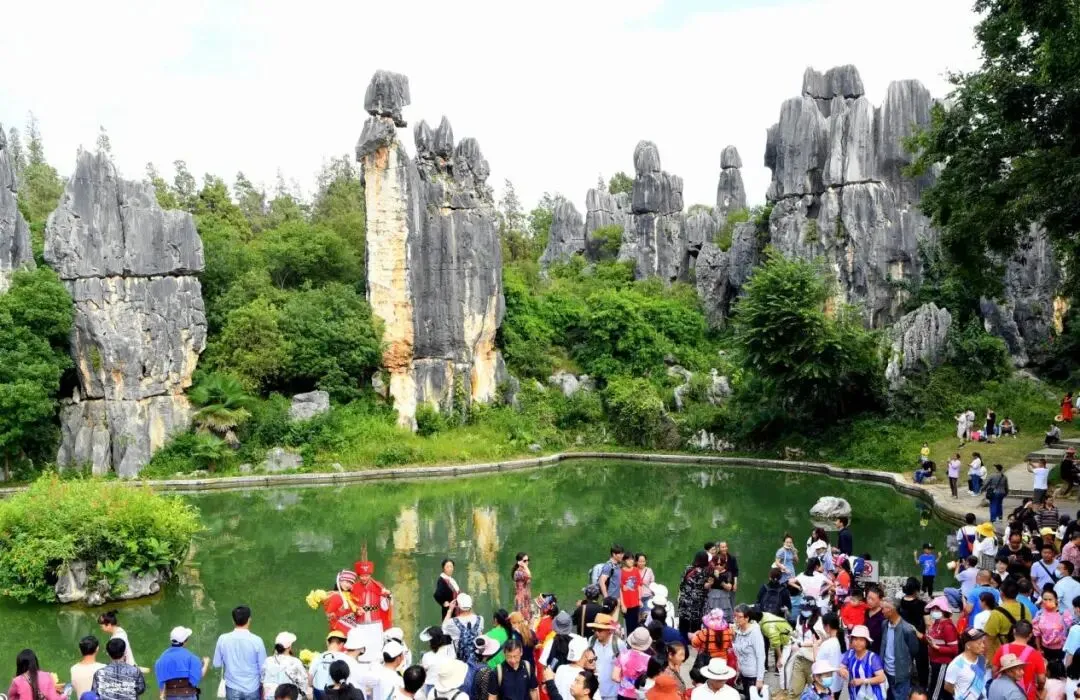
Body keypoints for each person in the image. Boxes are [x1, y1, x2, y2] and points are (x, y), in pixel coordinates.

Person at [213, 605, 267, 700]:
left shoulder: (223, 639)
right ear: (249, 620)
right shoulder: (257, 640)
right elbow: (263, 667)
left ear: (233, 621)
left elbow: (216, 663)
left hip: (232, 687)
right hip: (252, 687)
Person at [992, 620, 1047, 700]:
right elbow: (1041, 679)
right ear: (1030, 635)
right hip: (1027, 695)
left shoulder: (1002, 649)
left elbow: (994, 671)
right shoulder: (1036, 654)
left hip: (1003, 693)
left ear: (1014, 631)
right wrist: (1040, 688)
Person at [880, 597, 920, 700]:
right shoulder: (884, 624)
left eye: (884, 608)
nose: (882, 611)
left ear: (892, 609)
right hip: (886, 672)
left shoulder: (907, 629)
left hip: (901, 674)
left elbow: (914, 650)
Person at [155, 627, 209, 700]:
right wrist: (206, 663)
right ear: (185, 641)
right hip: (189, 696)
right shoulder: (192, 658)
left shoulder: (161, 660)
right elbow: (198, 677)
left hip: (170, 697)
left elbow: (161, 686)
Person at [839, 625, 886, 700]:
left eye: (861, 640)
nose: (858, 642)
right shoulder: (850, 653)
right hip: (854, 694)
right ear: (851, 640)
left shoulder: (872, 658)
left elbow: (882, 678)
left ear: (866, 642)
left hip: (871, 695)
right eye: (855, 639)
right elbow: (841, 667)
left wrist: (863, 681)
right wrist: (841, 670)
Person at [789, 599, 826, 696]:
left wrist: (800, 644)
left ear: (813, 609)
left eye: (807, 609)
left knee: (815, 693)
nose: (804, 611)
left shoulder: (819, 622)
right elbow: (798, 634)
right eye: (803, 609)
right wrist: (792, 635)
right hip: (799, 658)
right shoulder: (800, 619)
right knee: (794, 692)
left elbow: (819, 640)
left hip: (813, 661)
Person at [925, 597, 958, 700]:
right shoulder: (937, 623)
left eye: (937, 609)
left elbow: (954, 650)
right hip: (935, 662)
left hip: (942, 663)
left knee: (936, 692)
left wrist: (936, 647)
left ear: (944, 610)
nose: (934, 611)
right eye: (933, 608)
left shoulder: (948, 627)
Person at [353, 549, 394, 631]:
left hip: (376, 623)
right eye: (362, 576)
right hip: (359, 623)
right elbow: (351, 605)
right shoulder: (354, 587)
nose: (364, 578)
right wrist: (356, 611)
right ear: (358, 576)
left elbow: (385, 606)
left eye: (366, 575)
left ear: (370, 575)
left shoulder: (378, 586)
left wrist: (388, 595)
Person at [731, 605, 765, 700]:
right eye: (735, 616)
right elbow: (737, 652)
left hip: (753, 676)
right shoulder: (738, 631)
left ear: (747, 618)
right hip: (742, 674)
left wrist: (760, 679)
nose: (736, 619)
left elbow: (761, 656)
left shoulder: (755, 632)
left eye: (739, 617)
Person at [944, 629, 988, 700]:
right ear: (968, 646)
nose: (983, 646)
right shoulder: (956, 665)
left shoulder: (982, 659)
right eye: (979, 643)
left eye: (983, 642)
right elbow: (948, 686)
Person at [585, 613, 622, 700]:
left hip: (612, 693)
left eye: (600, 630)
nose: (596, 633)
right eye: (595, 630)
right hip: (594, 691)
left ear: (609, 630)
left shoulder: (619, 644)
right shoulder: (591, 641)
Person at [263, 632, 309, 699]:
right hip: (288, 696)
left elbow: (263, 678)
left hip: (270, 696)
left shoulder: (268, 661)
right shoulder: (295, 662)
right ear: (289, 647)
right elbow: (303, 681)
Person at [679, 551, 713, 638]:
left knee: (683, 621)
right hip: (697, 602)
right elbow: (705, 587)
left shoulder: (688, 568)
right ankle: (695, 640)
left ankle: (682, 639)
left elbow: (681, 583)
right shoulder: (705, 572)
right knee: (695, 624)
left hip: (685, 599)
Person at [309, 631, 351, 700]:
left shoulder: (318, 657)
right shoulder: (346, 659)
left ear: (327, 642)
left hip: (318, 693)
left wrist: (310, 688)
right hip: (337, 694)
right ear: (342, 644)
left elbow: (310, 676)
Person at [443, 594, 485, 662]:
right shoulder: (480, 619)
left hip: (460, 662)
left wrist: (450, 610)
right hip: (476, 660)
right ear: (471, 605)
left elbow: (443, 628)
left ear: (458, 606)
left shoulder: (452, 622)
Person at [612, 628, 651, 700]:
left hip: (622, 695)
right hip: (640, 696)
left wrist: (625, 682)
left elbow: (615, 677)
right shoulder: (649, 660)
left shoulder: (622, 655)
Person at [1034, 591, 1070, 664]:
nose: (1047, 602)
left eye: (1050, 599)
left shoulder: (1064, 614)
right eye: (1045, 599)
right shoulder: (1039, 614)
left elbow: (1069, 632)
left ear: (1056, 600)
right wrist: (1039, 649)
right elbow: (1037, 634)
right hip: (1045, 649)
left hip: (1061, 650)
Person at [324, 571, 361, 637]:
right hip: (340, 632)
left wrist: (357, 612)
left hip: (352, 630)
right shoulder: (335, 596)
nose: (348, 585)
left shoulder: (350, 596)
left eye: (351, 583)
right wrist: (340, 611)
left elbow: (351, 613)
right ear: (339, 582)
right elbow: (329, 617)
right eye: (346, 582)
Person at [619, 557, 643, 634]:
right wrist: (622, 604)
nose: (631, 561)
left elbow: (639, 586)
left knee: (636, 624)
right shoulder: (620, 572)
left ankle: (635, 639)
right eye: (628, 559)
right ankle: (628, 640)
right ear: (624, 561)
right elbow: (620, 589)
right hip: (626, 604)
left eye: (632, 559)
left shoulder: (636, 570)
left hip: (635, 602)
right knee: (628, 625)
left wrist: (640, 599)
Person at [865, 585, 887, 656]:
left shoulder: (883, 616)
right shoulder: (866, 611)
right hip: (865, 649)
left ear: (880, 600)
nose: (869, 601)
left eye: (872, 599)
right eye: (868, 598)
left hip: (877, 651)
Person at [513, 553, 533, 623]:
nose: (527, 562)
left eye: (528, 560)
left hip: (526, 598)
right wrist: (525, 566)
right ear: (519, 562)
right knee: (521, 621)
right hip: (521, 600)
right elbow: (529, 575)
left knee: (528, 620)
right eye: (525, 561)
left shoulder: (524, 571)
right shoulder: (518, 572)